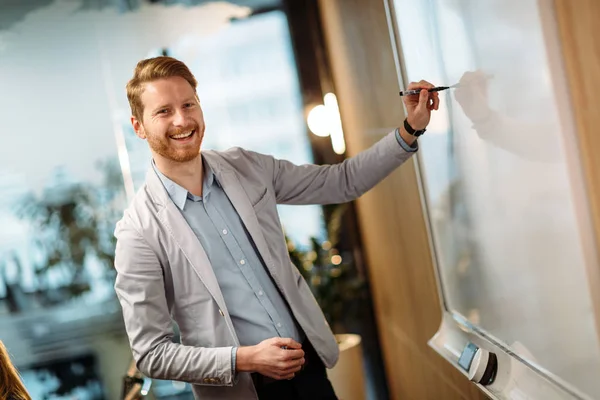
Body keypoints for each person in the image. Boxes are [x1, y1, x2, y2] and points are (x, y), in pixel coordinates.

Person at [113, 56, 439, 400]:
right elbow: (152, 353)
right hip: (246, 393)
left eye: (188, 104)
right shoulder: (138, 232)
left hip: (311, 374)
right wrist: (245, 358)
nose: (182, 120)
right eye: (163, 111)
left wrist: (410, 127)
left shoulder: (246, 166)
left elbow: (342, 181)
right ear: (138, 126)